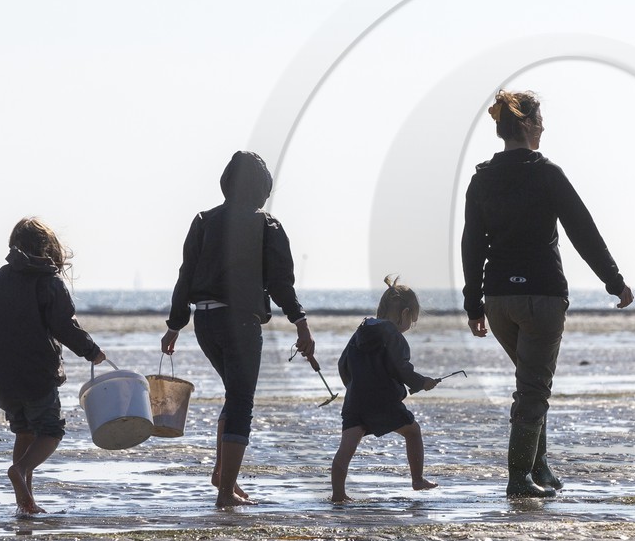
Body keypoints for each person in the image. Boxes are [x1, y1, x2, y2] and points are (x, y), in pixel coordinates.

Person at [461, 89, 634, 499]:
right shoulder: (547, 173)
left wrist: (473, 304)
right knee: (534, 388)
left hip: (498, 299)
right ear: (528, 126)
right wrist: (614, 281)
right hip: (542, 298)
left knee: (531, 384)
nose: (544, 129)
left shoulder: (482, 178)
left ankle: (539, 466)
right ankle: (519, 478)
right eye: (541, 122)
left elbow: (471, 244)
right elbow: (582, 231)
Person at [162, 151, 317, 508]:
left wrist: (175, 325)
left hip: (204, 321)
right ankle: (224, 493)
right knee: (241, 402)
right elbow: (281, 285)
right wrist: (301, 324)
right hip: (240, 323)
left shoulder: (203, 220)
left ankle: (222, 474)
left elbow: (186, 275)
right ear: (262, 188)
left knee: (234, 394)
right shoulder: (267, 225)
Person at [0, 218, 106, 515]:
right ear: (48, 248)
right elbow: (65, 326)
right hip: (38, 375)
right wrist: (91, 351)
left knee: (24, 432)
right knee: (51, 431)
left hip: (3, 378)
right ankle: (20, 470)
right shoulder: (49, 282)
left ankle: (25, 501)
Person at [330, 276, 440, 502]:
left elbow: (343, 364)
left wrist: (354, 388)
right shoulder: (393, 335)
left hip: (356, 400)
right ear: (405, 313)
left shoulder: (360, 332)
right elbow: (401, 368)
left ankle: (338, 495)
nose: (410, 327)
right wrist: (422, 383)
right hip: (383, 400)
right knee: (413, 431)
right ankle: (417, 480)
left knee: (346, 448)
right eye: (413, 320)